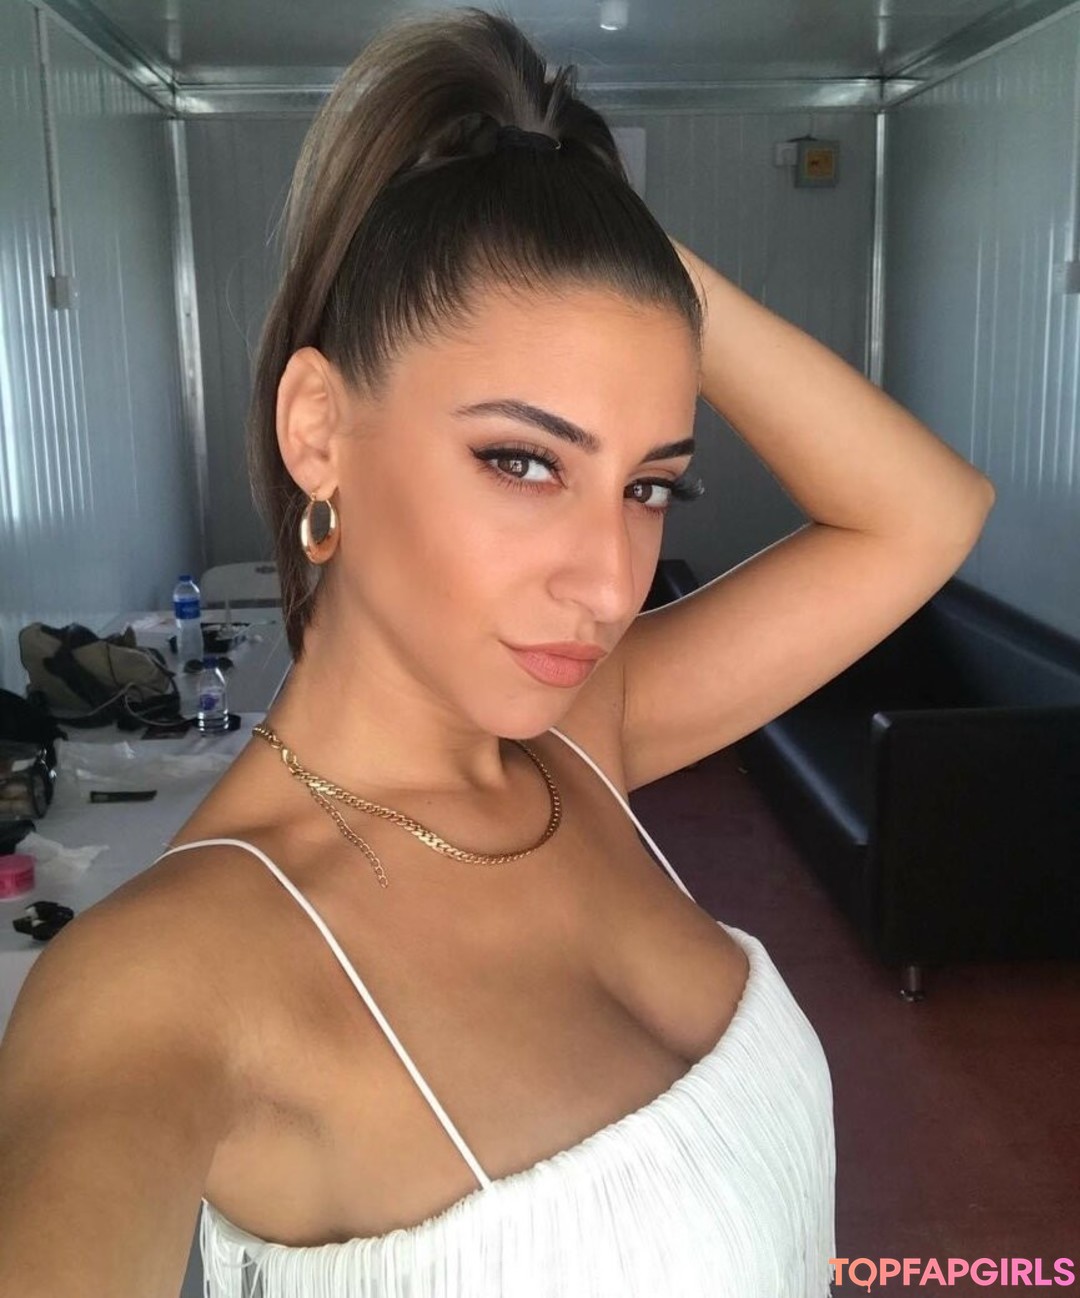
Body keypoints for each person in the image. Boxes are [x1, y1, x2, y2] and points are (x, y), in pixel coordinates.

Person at [0, 8, 995, 1297]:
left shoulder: (579, 746)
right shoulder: (164, 982)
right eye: (523, 462)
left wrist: (609, 244)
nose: (610, 584)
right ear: (318, 431)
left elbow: (928, 515)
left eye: (650, 486)